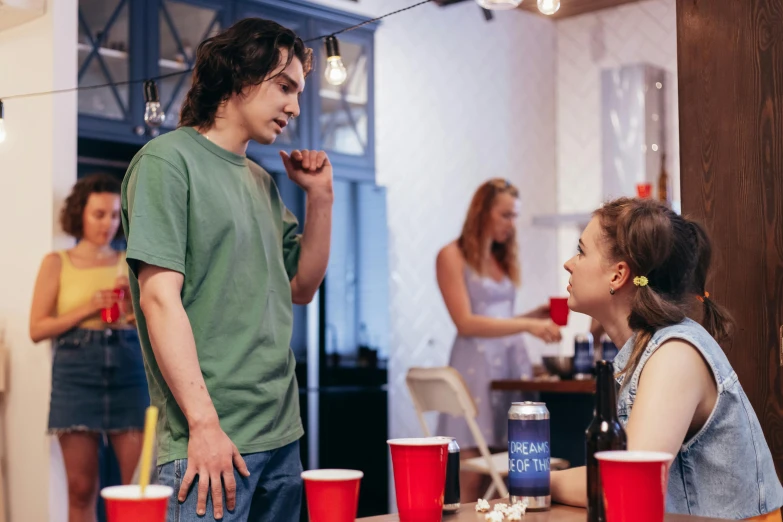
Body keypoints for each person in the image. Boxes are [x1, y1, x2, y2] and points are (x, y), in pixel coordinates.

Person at [121, 18, 331, 522]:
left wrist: (321, 197)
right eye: (284, 86)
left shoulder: (261, 181)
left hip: (282, 433)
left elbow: (301, 286)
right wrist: (204, 424)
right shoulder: (167, 162)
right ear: (239, 76)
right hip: (211, 440)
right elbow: (158, 300)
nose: (294, 107)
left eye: (298, 92)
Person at [552, 197, 783, 520]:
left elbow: (627, 482)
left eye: (581, 251)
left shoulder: (674, 355)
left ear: (618, 276)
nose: (569, 263)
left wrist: (539, 481)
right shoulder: (646, 352)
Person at [30, 173, 148, 522]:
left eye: (115, 215)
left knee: (137, 488)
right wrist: (90, 307)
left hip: (129, 368)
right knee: (81, 488)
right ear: (80, 213)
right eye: (99, 214)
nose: (108, 224)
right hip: (76, 374)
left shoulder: (130, 261)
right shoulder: (57, 262)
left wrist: (130, 312)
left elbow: (149, 325)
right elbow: (37, 329)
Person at [435, 178, 562, 502]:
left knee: (514, 463)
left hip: (507, 364)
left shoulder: (500, 257)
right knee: (471, 472)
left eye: (515, 215)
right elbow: (465, 322)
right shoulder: (451, 255)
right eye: (506, 215)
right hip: (474, 366)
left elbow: (499, 314)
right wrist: (526, 326)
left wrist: (533, 314)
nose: (512, 224)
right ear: (482, 212)